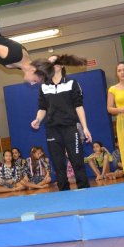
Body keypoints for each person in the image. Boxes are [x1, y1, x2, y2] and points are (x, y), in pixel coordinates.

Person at [32, 55, 92, 191]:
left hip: (70, 128)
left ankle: (85, 191)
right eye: (51, 62)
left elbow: (79, 106)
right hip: (52, 130)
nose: (54, 64)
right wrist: (38, 119)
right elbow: (42, 108)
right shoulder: (44, 87)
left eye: (56, 61)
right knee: (58, 164)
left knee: (77, 161)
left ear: (62, 65)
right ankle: (64, 193)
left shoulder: (72, 83)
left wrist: (85, 127)